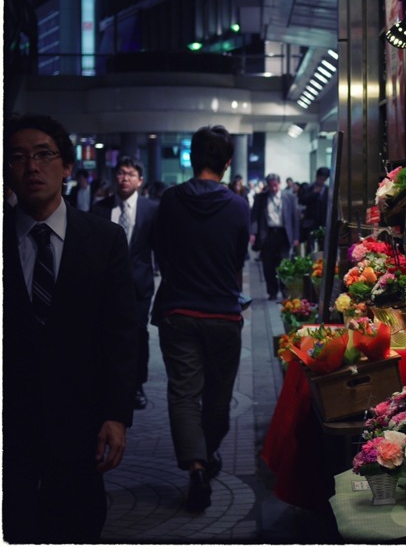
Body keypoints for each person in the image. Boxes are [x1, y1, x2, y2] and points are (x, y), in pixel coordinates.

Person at [3, 113, 137, 542]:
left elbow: (121, 333)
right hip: (11, 421)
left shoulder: (103, 239)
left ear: (66, 167)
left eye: (44, 155)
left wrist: (117, 415)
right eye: (19, 157)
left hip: (81, 417)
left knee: (79, 521)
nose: (32, 167)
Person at [151, 125, 250, 512]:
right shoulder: (239, 206)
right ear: (227, 164)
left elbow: (160, 249)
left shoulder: (171, 201)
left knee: (183, 393)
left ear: (192, 158)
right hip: (224, 314)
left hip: (178, 310)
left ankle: (196, 465)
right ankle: (205, 456)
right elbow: (239, 255)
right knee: (218, 398)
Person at [93, 156, 160, 410]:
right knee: (106, 333)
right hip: (105, 285)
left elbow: (158, 246)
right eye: (121, 173)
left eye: (130, 174)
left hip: (139, 285)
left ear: (140, 181)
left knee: (138, 336)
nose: (125, 178)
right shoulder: (100, 208)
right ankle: (108, 382)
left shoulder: (151, 208)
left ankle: (136, 385)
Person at [250, 172, 301, 300]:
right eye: (271, 186)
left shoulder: (289, 197)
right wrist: (253, 233)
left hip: (283, 234)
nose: (273, 188)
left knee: (284, 264)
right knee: (268, 264)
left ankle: (284, 290)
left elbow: (295, 218)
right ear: (267, 185)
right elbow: (254, 216)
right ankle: (272, 291)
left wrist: (296, 237)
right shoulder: (261, 197)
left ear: (279, 184)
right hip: (267, 234)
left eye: (275, 185)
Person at [300, 165, 331, 249]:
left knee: (323, 245)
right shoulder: (309, 187)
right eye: (320, 178)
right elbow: (302, 200)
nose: (321, 180)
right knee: (311, 245)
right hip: (311, 222)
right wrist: (314, 193)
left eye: (324, 178)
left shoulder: (328, 190)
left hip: (323, 222)